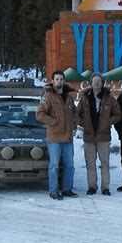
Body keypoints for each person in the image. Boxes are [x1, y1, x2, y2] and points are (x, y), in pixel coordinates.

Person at [77, 73, 122, 196]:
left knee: (105, 163)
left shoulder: (109, 98)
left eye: (99, 81)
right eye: (94, 81)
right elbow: (77, 114)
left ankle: (105, 188)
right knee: (90, 164)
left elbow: (118, 114)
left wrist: (108, 121)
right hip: (89, 136)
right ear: (90, 83)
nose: (97, 83)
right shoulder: (85, 98)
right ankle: (92, 187)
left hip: (103, 136)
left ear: (102, 83)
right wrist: (84, 123)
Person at [36, 70, 78, 200]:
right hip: (55, 137)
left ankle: (66, 189)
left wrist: (74, 123)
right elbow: (40, 115)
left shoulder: (69, 97)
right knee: (54, 165)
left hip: (67, 137)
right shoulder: (48, 96)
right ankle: (53, 191)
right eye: (57, 79)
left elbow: (74, 112)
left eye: (61, 79)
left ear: (64, 81)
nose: (59, 81)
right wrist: (53, 121)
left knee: (70, 165)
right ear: (53, 81)